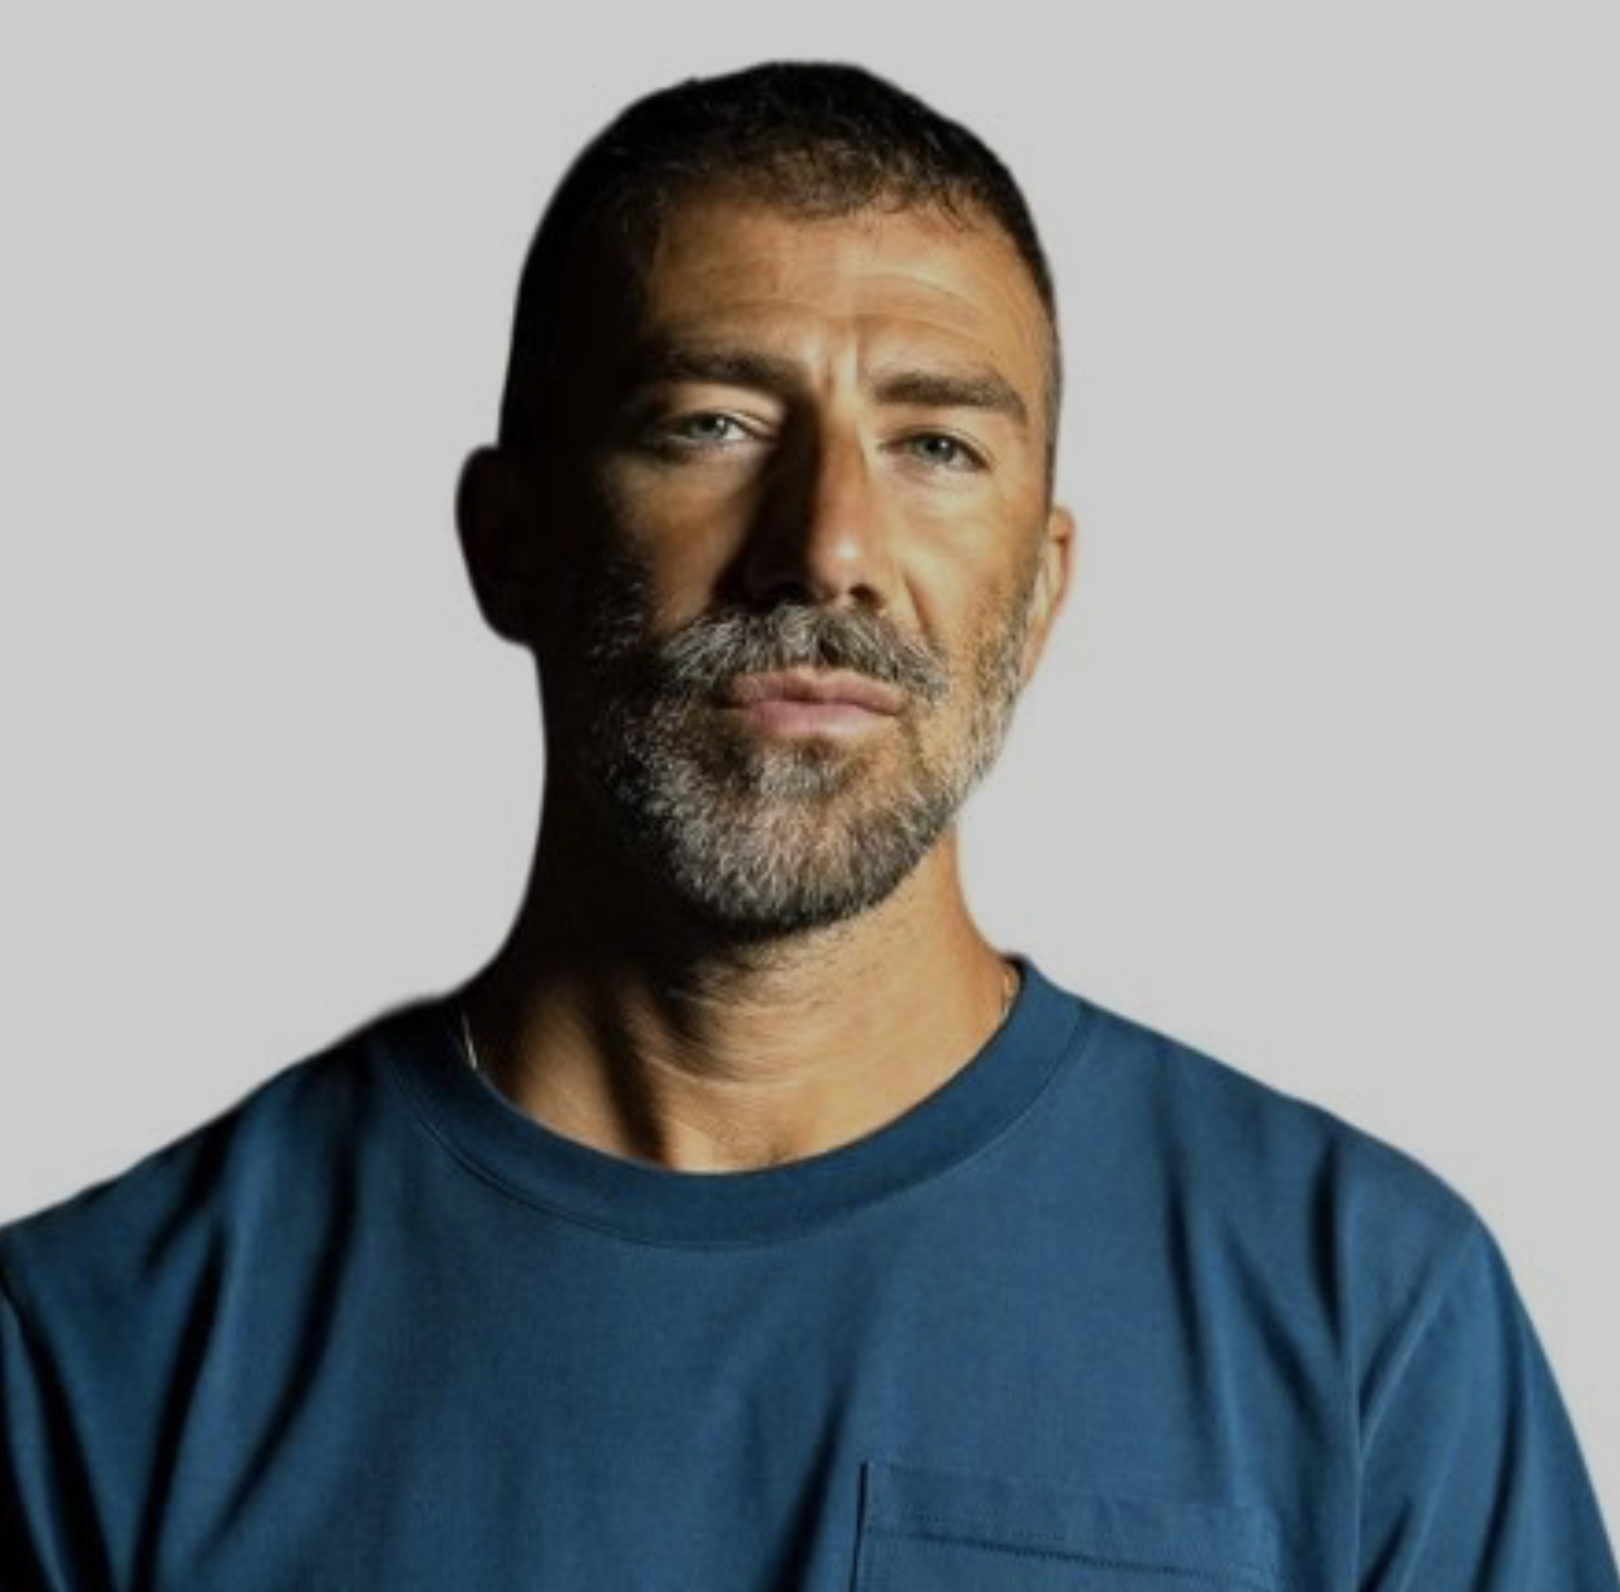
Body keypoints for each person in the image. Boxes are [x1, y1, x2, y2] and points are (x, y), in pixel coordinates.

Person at [1, 58, 1613, 1592]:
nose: (828, 547)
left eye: (936, 445)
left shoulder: (1364, 1321)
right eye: (710, 422)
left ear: (1041, 589)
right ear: (508, 540)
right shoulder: (97, 1362)